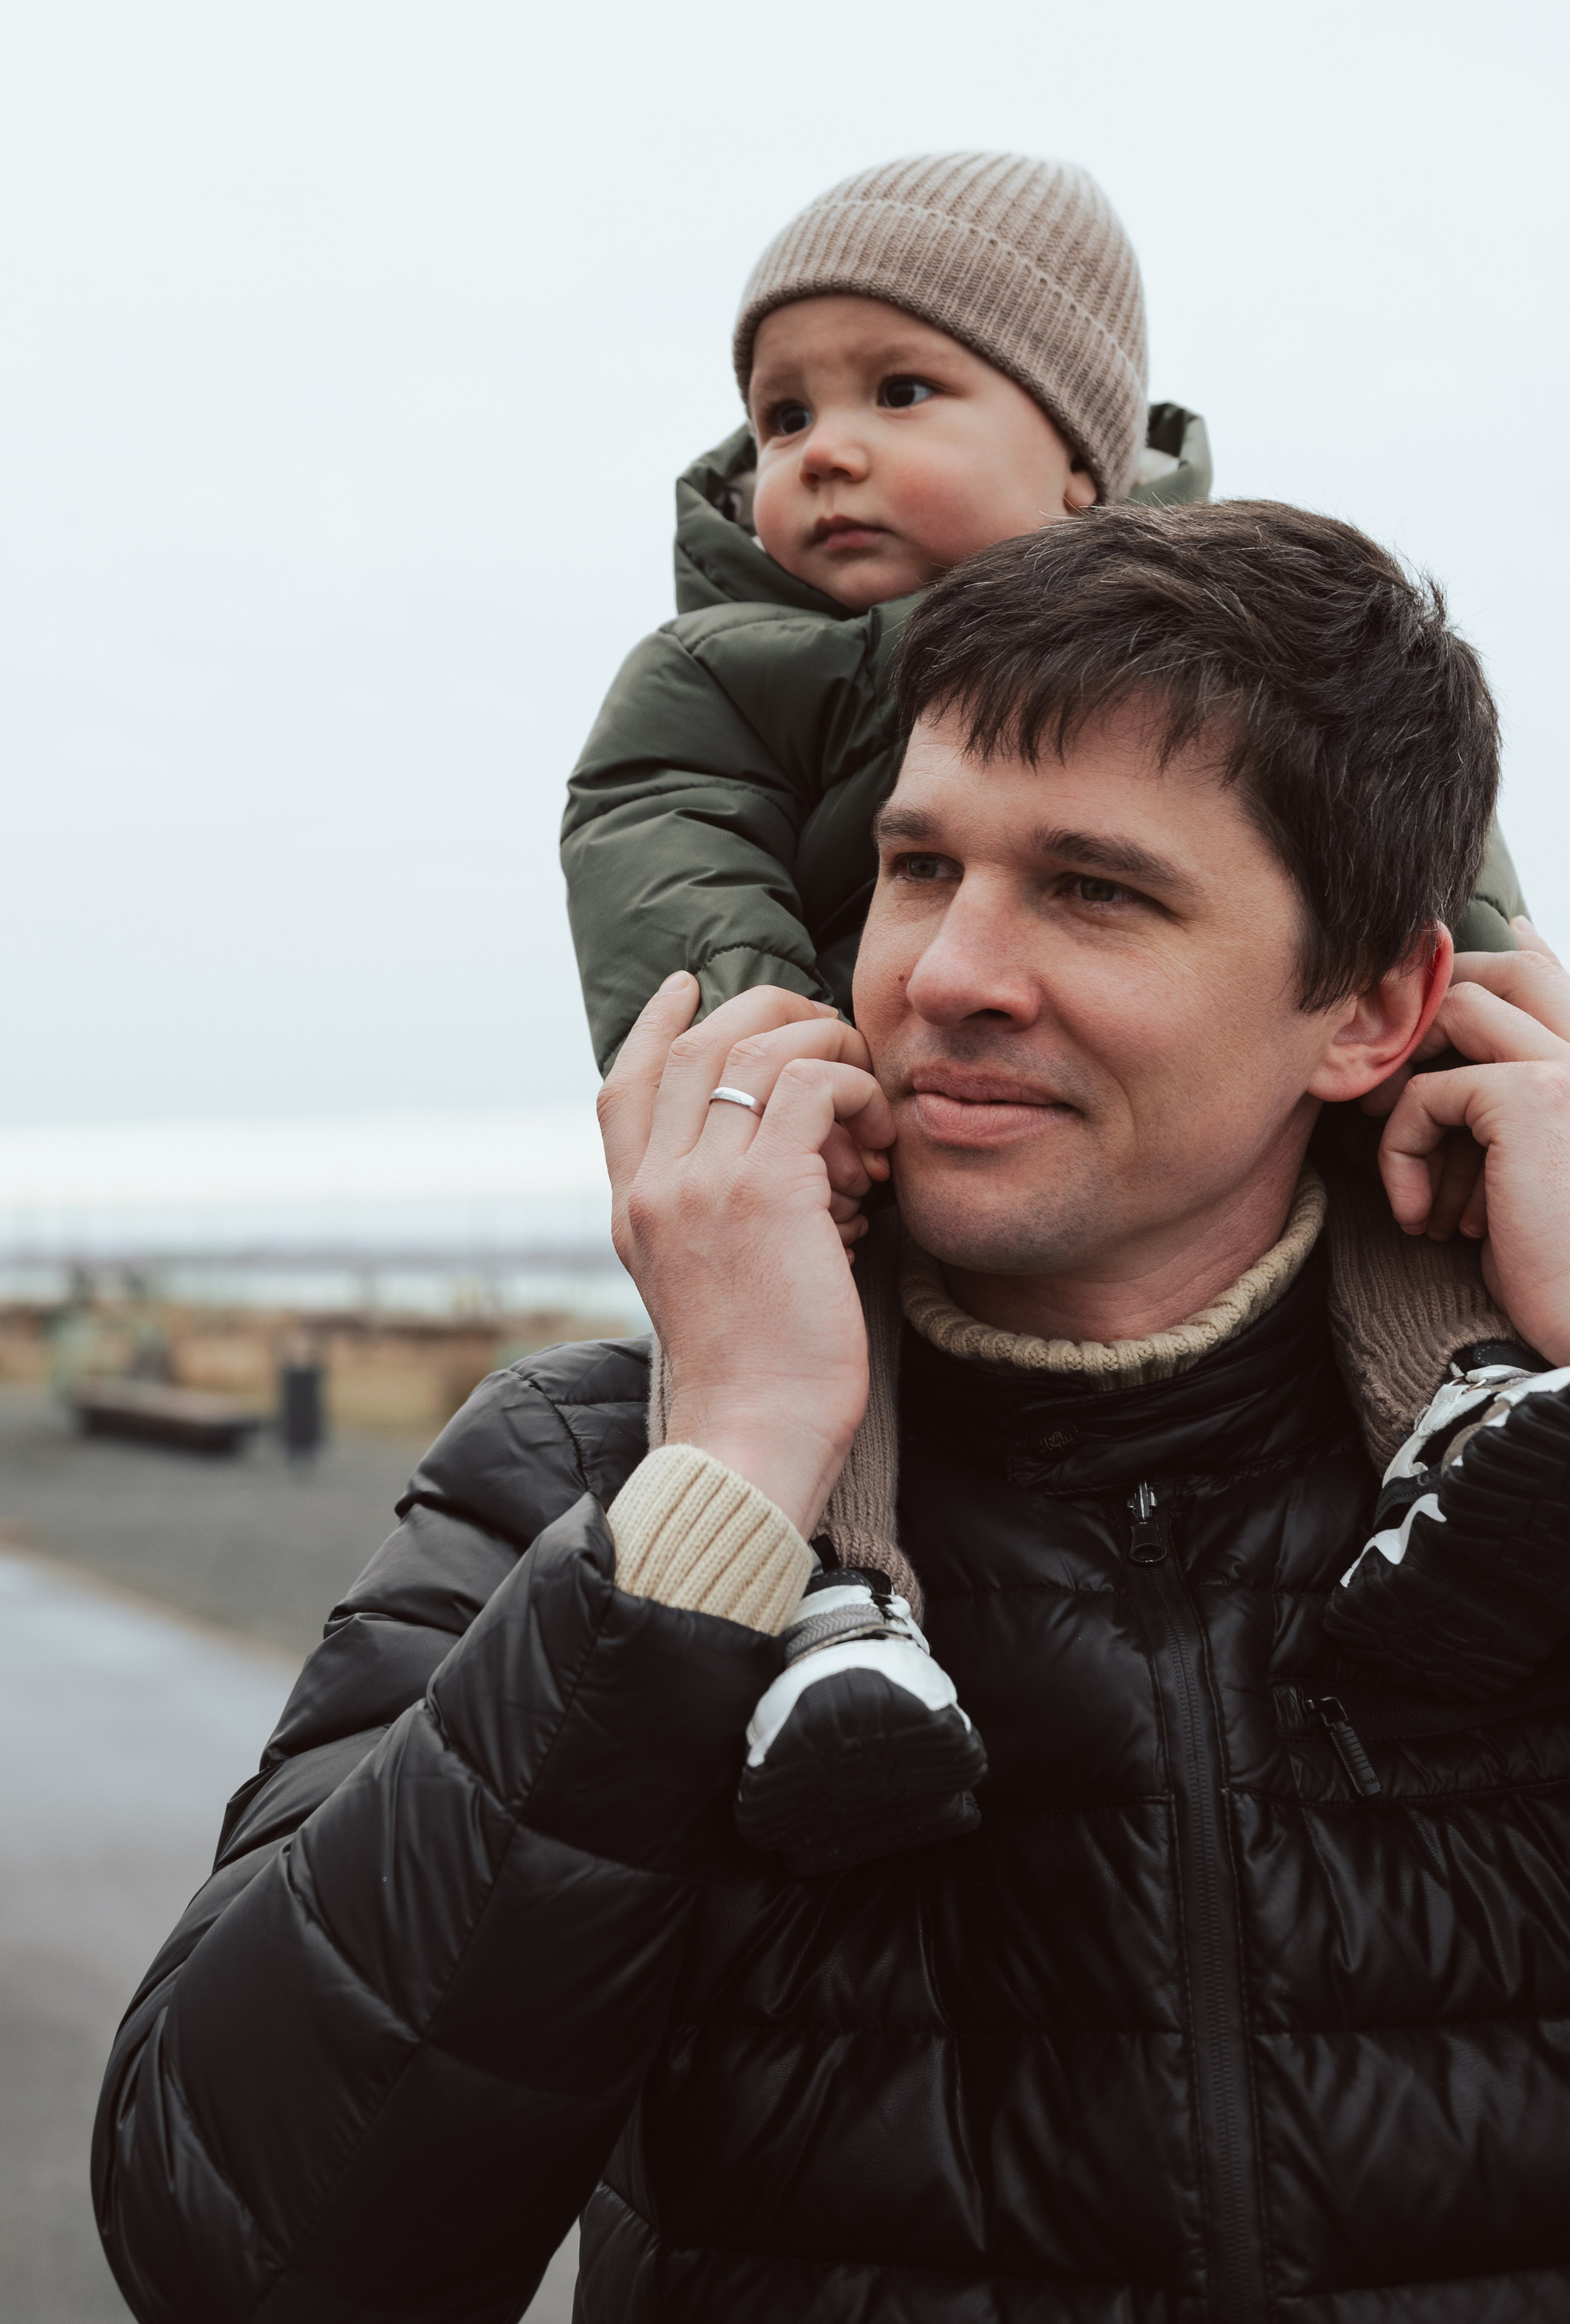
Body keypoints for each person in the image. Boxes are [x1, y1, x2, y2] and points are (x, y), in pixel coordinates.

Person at [94, 500, 1570, 2323]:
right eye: (919, 866)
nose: (942, 974)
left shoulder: (1512, 1461)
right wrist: (725, 1475)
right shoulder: (589, 1466)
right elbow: (243, 2255)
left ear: (1370, 1009)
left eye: (1094, 888)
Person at [563, 149, 1532, 1871]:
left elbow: (1429, 894)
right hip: (855, 1129)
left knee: (1412, 1153)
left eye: (899, 389)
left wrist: (1511, 1031)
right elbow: (659, 853)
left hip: (1321, 1171)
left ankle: (1462, 1417)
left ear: (1083, 452)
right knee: (820, 1327)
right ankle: (833, 1603)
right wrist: (784, 1058)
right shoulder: (723, 671)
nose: (820, 450)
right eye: (777, 417)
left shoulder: (1266, 657)